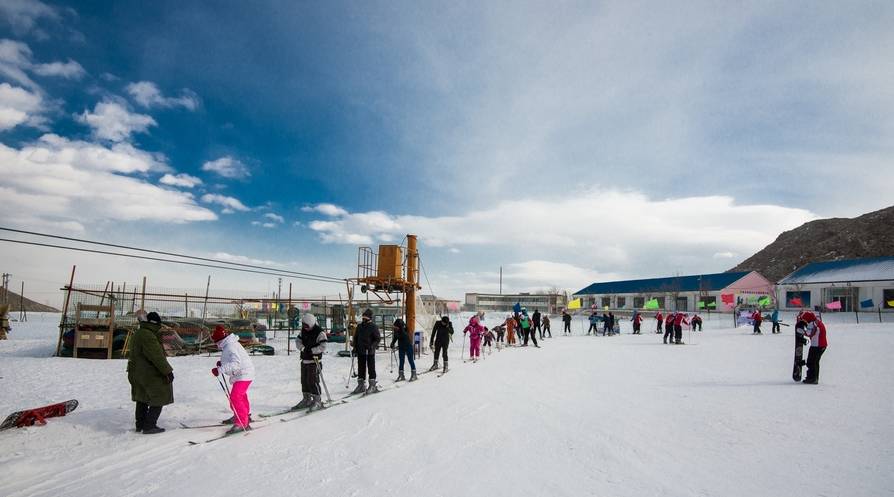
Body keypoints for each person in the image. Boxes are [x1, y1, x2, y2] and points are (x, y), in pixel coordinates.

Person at [127, 311, 173, 435]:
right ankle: (149, 425)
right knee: (160, 394)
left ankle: (140, 424)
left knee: (142, 397)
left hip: (136, 372)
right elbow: (157, 357)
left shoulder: (139, 333)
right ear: (155, 323)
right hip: (148, 373)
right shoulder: (148, 335)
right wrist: (168, 372)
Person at [211, 325, 256, 433]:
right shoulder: (229, 344)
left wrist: (220, 369)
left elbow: (236, 364)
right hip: (243, 374)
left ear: (219, 340)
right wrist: (222, 364)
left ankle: (242, 422)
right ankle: (243, 415)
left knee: (235, 397)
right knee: (240, 397)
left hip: (244, 374)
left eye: (216, 342)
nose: (215, 344)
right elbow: (232, 360)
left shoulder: (230, 346)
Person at [293, 314, 327, 410]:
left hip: (315, 360)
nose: (305, 328)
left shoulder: (319, 332)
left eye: (307, 326)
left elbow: (323, 346)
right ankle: (306, 399)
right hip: (305, 359)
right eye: (304, 325)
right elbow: (297, 341)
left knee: (313, 380)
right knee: (304, 381)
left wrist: (312, 350)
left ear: (311, 323)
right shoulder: (303, 331)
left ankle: (317, 400)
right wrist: (303, 348)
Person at [352, 309, 381, 394]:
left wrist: (372, 346)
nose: (364, 318)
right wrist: (355, 347)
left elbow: (377, 339)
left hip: (369, 351)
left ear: (369, 318)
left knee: (371, 367)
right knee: (361, 367)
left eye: (365, 317)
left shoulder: (373, 326)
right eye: (363, 317)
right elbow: (356, 338)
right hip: (361, 350)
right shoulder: (359, 326)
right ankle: (361, 384)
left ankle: (372, 384)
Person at [801, 312, 827, 384]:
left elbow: (809, 333)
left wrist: (802, 331)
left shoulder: (812, 323)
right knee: (813, 361)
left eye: (805, 320)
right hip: (820, 345)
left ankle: (813, 378)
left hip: (817, 345)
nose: (805, 321)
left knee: (812, 362)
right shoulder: (817, 321)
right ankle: (812, 377)